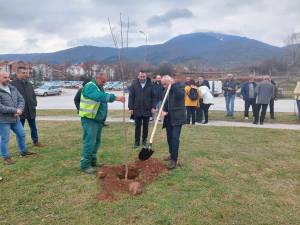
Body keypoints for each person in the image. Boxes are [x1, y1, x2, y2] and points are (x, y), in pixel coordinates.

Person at [79, 72, 125, 174]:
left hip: (97, 120)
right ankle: (85, 165)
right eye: (103, 81)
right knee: (90, 142)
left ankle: (93, 162)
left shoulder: (99, 86)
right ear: (98, 78)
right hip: (89, 119)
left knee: (96, 142)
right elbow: (100, 97)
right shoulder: (90, 86)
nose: (104, 83)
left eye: (105, 81)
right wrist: (116, 98)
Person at [0, 72, 35, 165]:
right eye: (4, 77)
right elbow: (1, 107)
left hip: (15, 119)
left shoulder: (12, 88)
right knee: (4, 139)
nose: (7, 79)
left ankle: (23, 151)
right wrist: (15, 110)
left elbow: (21, 99)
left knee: (22, 134)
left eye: (8, 77)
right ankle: (6, 157)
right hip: (3, 120)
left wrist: (20, 109)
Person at [11, 66, 43, 147]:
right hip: (20, 111)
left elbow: (33, 95)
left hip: (31, 110)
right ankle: (21, 145)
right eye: (23, 73)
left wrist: (34, 103)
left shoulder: (29, 84)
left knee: (33, 127)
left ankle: (35, 141)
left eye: (27, 73)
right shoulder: (12, 85)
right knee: (20, 130)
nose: (26, 74)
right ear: (18, 73)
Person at [161, 75, 186, 170]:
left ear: (170, 82)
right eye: (162, 84)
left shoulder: (179, 87)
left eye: (165, 84)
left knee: (175, 138)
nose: (164, 86)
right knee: (169, 138)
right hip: (168, 118)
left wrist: (173, 85)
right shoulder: (164, 92)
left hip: (177, 118)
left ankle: (174, 160)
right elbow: (164, 104)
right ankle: (171, 154)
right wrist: (163, 110)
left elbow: (181, 95)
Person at [128, 71, 156, 148]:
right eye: (141, 76)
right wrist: (130, 108)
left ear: (146, 77)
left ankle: (144, 141)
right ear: (138, 76)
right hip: (137, 109)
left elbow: (154, 97)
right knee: (137, 126)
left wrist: (153, 107)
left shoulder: (151, 85)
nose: (142, 78)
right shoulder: (134, 84)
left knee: (146, 126)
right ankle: (136, 142)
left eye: (144, 76)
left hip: (147, 109)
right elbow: (131, 97)